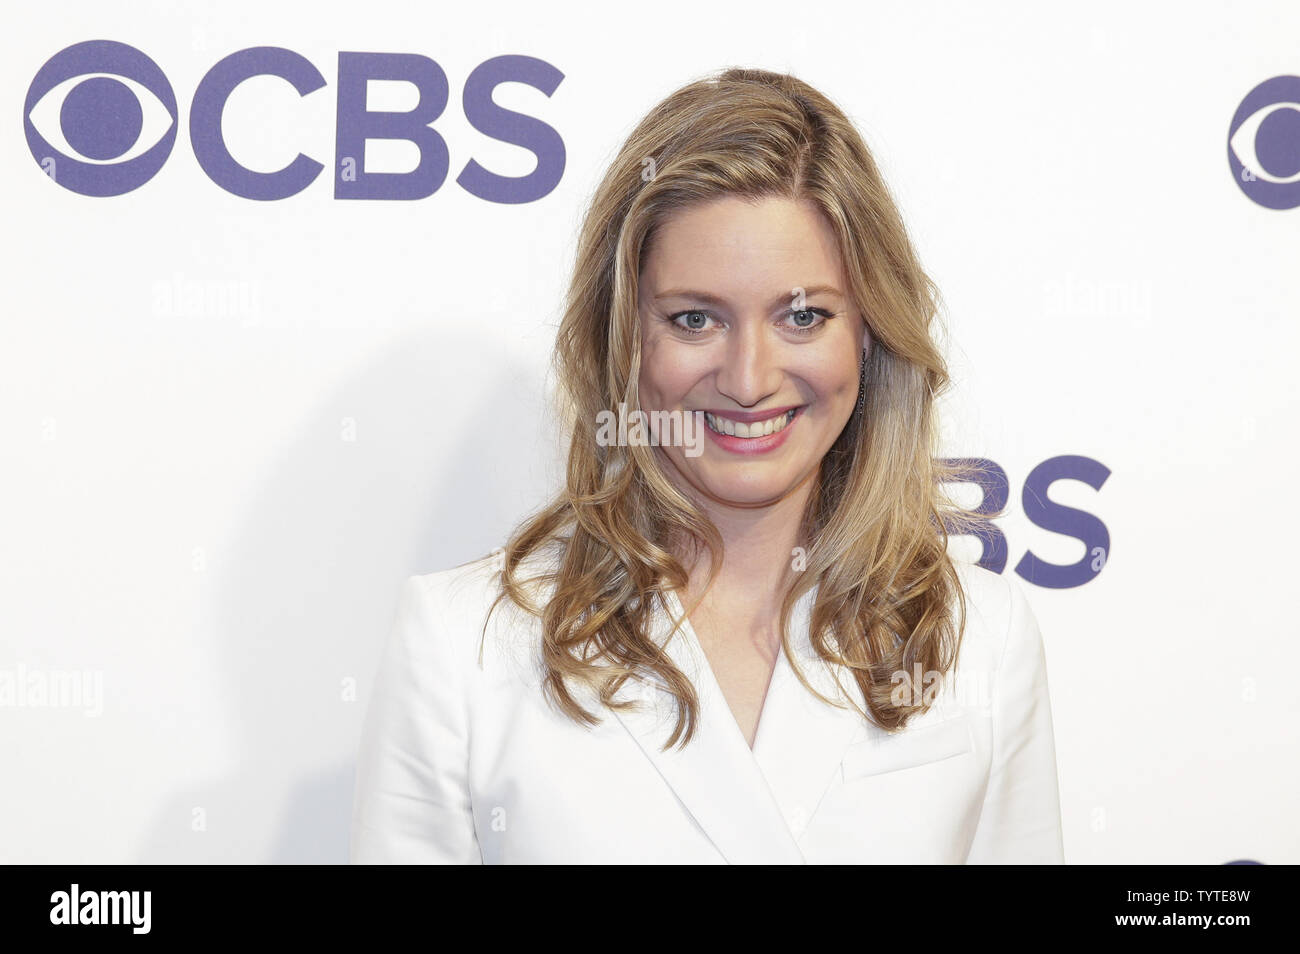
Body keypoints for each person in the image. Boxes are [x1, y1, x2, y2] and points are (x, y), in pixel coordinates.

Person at [349, 67, 1064, 864]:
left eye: (803, 316)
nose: (749, 378)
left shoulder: (980, 638)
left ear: (868, 332)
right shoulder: (463, 647)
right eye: (694, 319)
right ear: (623, 338)